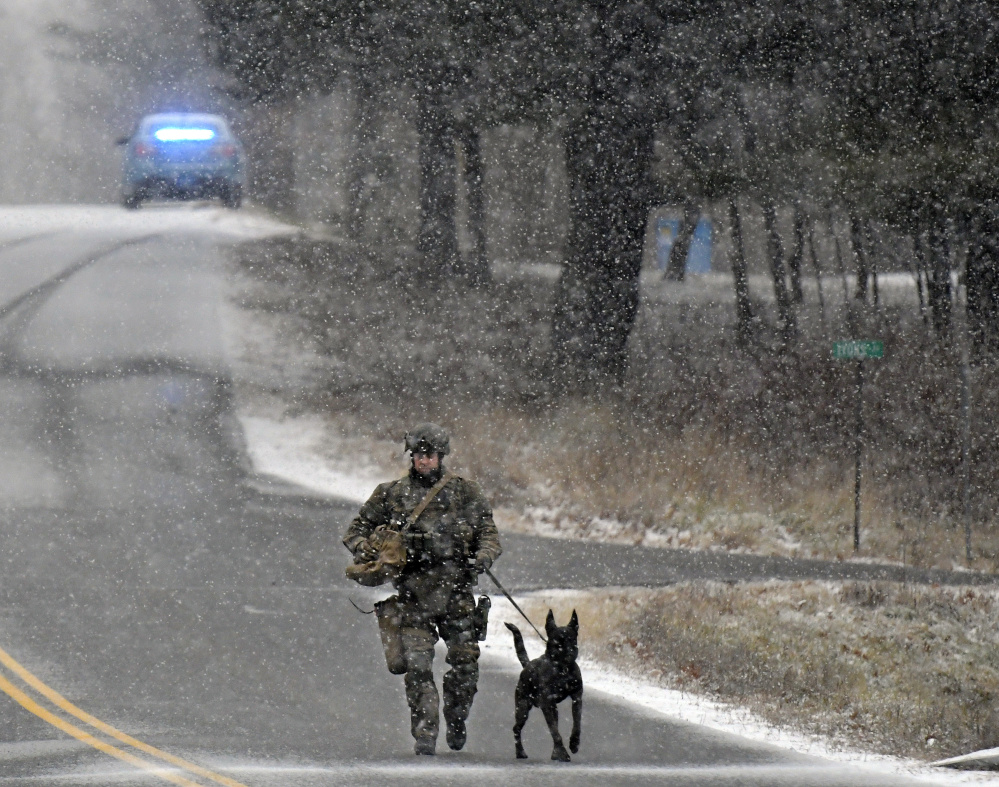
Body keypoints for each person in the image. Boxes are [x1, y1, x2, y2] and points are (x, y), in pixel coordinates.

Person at [343, 423, 501, 755]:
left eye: (429, 455)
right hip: (413, 598)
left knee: (465, 667)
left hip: (456, 596)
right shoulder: (391, 494)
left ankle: (456, 718)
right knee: (417, 668)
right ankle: (425, 733)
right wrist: (368, 550)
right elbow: (356, 530)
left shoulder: (465, 493)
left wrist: (482, 557)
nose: (423, 461)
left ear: (441, 456)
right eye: (418, 455)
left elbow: (488, 533)